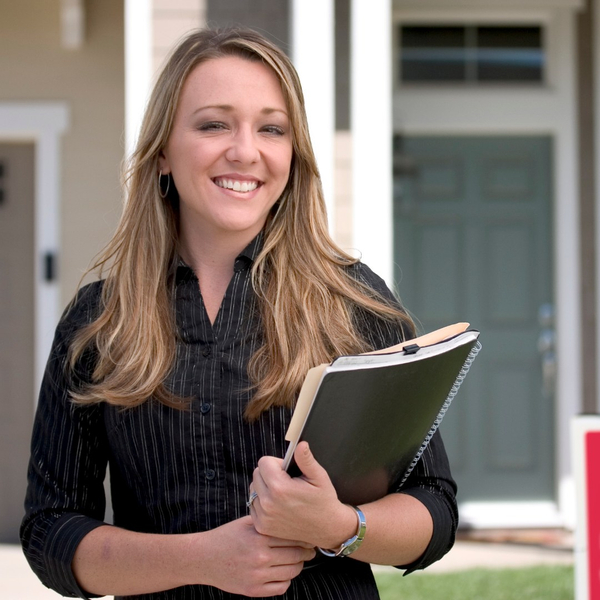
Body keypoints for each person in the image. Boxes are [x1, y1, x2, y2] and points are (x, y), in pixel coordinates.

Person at [21, 27, 458, 600]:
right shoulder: (100, 321)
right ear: (161, 156)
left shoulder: (351, 303)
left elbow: (435, 509)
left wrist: (337, 527)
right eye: (213, 124)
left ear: (291, 155)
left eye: (271, 129)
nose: (245, 151)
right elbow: (50, 532)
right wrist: (202, 559)